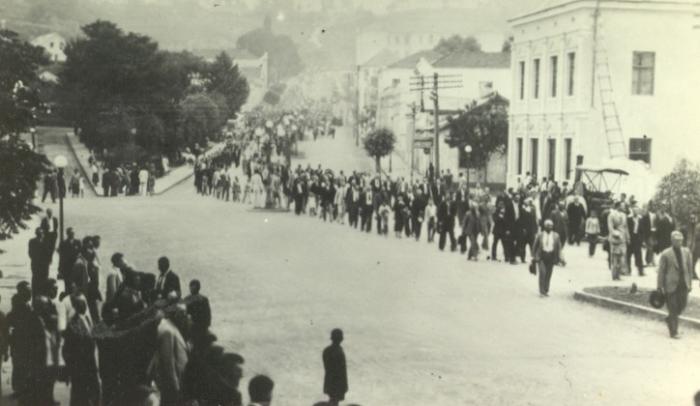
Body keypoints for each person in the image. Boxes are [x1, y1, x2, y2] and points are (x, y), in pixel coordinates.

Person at [63, 293, 100, 406]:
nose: (84, 306)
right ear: (75, 306)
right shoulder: (72, 324)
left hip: (91, 363)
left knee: (94, 392)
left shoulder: (88, 318)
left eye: (85, 303)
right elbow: (67, 349)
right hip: (80, 366)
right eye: (81, 304)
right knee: (80, 396)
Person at [657, 231, 693, 339]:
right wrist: (660, 286)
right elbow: (661, 271)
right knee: (673, 308)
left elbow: (690, 269)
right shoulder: (666, 253)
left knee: (682, 305)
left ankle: (670, 319)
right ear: (672, 241)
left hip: (683, 284)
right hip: (670, 285)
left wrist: (690, 283)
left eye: (681, 240)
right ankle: (674, 331)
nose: (679, 242)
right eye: (677, 240)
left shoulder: (686, 252)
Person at [532, 219, 562, 297]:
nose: (549, 227)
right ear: (544, 226)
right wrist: (534, 256)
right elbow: (535, 246)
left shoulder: (556, 236)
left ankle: (546, 289)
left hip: (551, 256)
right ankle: (541, 290)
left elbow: (559, 248)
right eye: (548, 225)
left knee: (548, 274)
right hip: (541, 256)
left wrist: (560, 258)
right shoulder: (540, 235)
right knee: (542, 273)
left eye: (551, 226)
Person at [323, 329, 348, 406]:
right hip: (337, 383)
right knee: (334, 401)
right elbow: (340, 370)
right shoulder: (337, 351)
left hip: (331, 382)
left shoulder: (327, 350)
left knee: (334, 400)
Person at [57, 228, 82, 293]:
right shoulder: (63, 243)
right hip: (67, 268)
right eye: (70, 233)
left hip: (76, 268)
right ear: (67, 234)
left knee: (77, 286)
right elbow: (61, 257)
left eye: (73, 233)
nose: (72, 234)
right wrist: (60, 269)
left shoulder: (78, 242)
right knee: (68, 286)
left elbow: (81, 254)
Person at [29, 227, 50, 297]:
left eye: (41, 233)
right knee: (36, 281)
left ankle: (44, 298)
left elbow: (48, 254)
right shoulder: (32, 241)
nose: (40, 235)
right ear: (36, 234)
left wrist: (46, 262)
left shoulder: (46, 242)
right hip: (36, 265)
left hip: (44, 266)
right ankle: (35, 298)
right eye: (39, 233)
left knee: (44, 281)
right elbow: (30, 253)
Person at [627, 207, 645, 276]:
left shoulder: (640, 219)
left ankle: (640, 271)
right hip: (631, 238)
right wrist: (627, 238)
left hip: (638, 239)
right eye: (634, 211)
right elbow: (627, 229)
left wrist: (642, 240)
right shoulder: (629, 218)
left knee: (639, 255)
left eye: (637, 211)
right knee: (628, 255)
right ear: (632, 211)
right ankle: (628, 270)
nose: (636, 212)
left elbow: (642, 231)